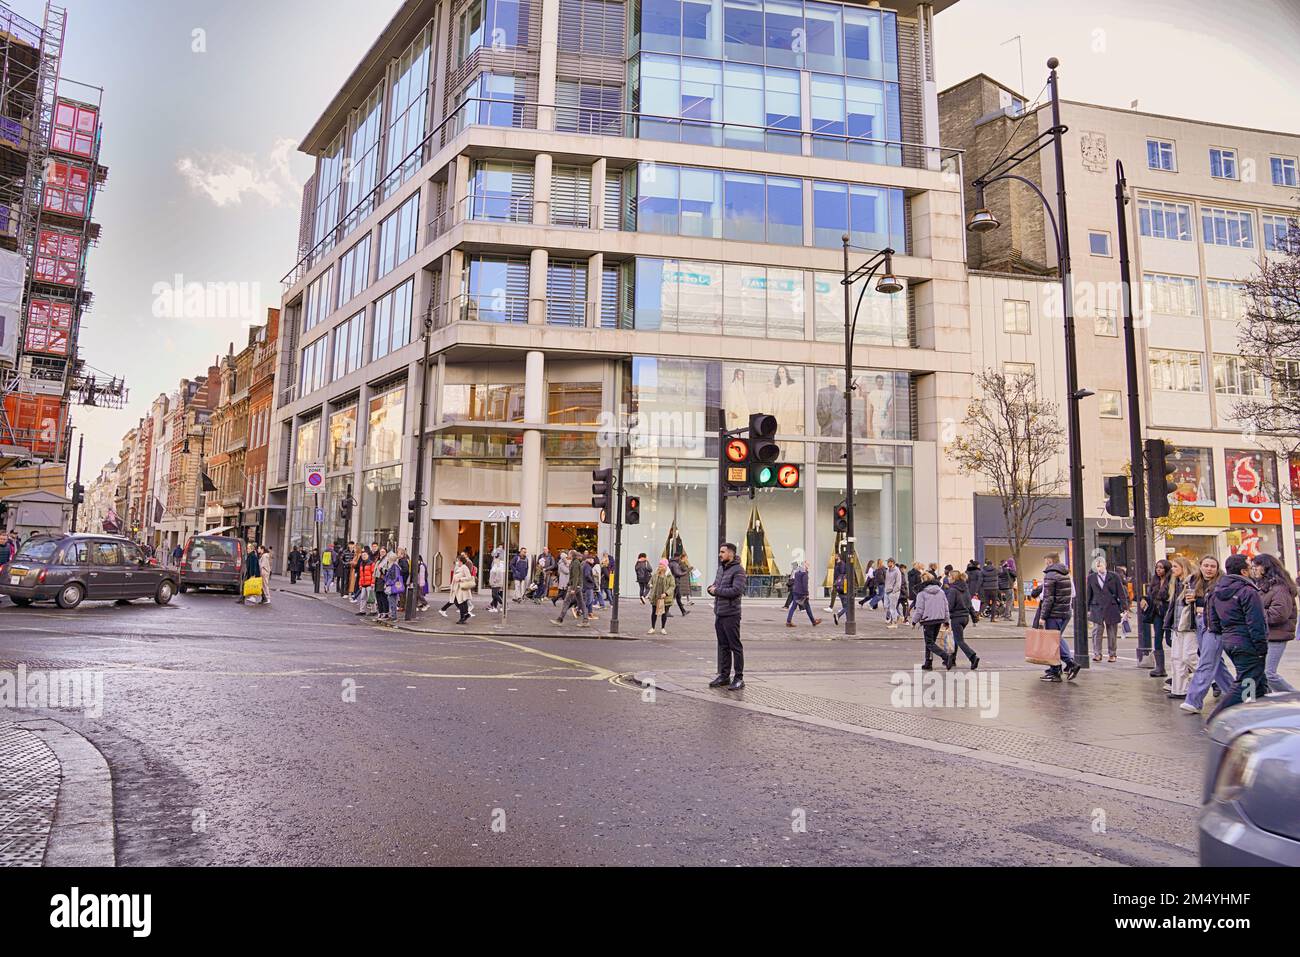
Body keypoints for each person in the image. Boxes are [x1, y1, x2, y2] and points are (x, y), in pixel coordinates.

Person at [1206, 554, 1270, 719]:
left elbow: (1213, 622)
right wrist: (1261, 647)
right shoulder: (1248, 591)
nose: (1252, 570)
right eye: (1249, 567)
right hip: (1247, 643)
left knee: (1258, 681)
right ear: (1243, 571)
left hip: (1231, 641)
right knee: (1246, 683)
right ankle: (1217, 718)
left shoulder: (1217, 591)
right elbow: (1256, 622)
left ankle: (1260, 715)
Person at [1182, 555, 1232, 715]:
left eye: (1212, 566)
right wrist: (1188, 600)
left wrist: (1200, 603)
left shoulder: (1223, 583)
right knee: (1216, 663)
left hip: (1214, 625)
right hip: (1199, 622)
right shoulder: (1194, 580)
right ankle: (1235, 694)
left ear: (1217, 569)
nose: (1209, 569)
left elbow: (1221, 603)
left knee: (1207, 661)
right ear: (1200, 566)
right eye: (1206, 565)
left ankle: (1193, 700)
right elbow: (1186, 600)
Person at [1250, 553, 1298, 695]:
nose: (1254, 569)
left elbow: (1279, 614)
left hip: (1276, 636)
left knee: (1269, 673)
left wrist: (1254, 612)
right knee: (1262, 673)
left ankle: (1294, 697)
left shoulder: (1279, 588)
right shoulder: (1265, 586)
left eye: (1256, 566)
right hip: (1266, 635)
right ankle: (1271, 701)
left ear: (1265, 567)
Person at [707, 542, 747, 691]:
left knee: (735, 646)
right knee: (723, 646)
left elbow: (736, 591)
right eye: (720, 552)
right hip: (719, 613)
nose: (720, 554)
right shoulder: (721, 569)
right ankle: (724, 676)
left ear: (731, 553)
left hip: (731, 614)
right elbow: (715, 585)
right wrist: (710, 589)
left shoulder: (739, 571)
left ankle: (739, 678)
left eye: (723, 552)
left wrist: (716, 591)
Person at [1034, 553, 1080, 681]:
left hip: (1053, 613)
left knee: (1053, 640)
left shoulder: (1050, 575)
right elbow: (1073, 593)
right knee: (1056, 639)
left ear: (1050, 562)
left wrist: (1042, 617)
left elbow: (1047, 598)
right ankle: (1055, 668)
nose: (1046, 565)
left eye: (1046, 562)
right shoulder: (1066, 574)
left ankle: (1068, 664)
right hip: (1065, 611)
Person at [1164, 557, 1199, 698]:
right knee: (1176, 658)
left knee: (1189, 656)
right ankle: (1179, 690)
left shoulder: (1192, 582)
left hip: (1189, 625)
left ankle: (1213, 679)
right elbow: (1173, 607)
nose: (1172, 569)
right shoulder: (1176, 584)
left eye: (1175, 566)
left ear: (1183, 567)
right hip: (1177, 626)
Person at [1086, 557, 1127, 662]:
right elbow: (1088, 594)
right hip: (1097, 607)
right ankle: (1097, 653)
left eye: (1101, 565)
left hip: (1111, 606)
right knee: (1097, 631)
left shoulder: (1114, 576)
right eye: (1097, 565)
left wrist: (1124, 607)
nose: (1099, 567)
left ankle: (1112, 654)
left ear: (1105, 565)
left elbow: (1121, 592)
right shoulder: (1091, 578)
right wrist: (1087, 609)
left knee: (1112, 631)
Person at [911, 573, 955, 670]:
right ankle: (928, 663)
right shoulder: (941, 592)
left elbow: (919, 610)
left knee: (929, 643)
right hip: (939, 619)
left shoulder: (921, 593)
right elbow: (946, 607)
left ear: (923, 580)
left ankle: (945, 656)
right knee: (931, 643)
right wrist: (946, 620)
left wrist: (914, 621)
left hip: (928, 620)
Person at [1140, 560, 1173, 676]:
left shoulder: (1171, 581)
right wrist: (1144, 599)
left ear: (1166, 569)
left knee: (1170, 640)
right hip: (1157, 613)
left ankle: (1182, 662)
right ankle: (1160, 668)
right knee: (1158, 639)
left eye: (1161, 568)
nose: (1158, 570)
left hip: (1168, 613)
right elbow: (1150, 595)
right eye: (1157, 567)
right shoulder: (1155, 581)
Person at [943, 570, 980, 669]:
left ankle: (973, 657)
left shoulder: (953, 590)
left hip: (957, 618)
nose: (948, 579)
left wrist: (945, 619)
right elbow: (970, 604)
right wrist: (974, 616)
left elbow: (949, 606)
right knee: (956, 638)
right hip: (965, 618)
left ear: (954, 578)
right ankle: (952, 660)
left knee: (959, 640)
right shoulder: (965, 588)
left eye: (950, 577)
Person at [553, 550, 588, 627]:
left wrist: (573, 588)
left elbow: (575, 576)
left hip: (575, 586)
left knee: (566, 602)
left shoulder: (575, 563)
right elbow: (573, 576)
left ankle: (560, 619)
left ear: (571, 555)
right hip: (577, 586)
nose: (567, 555)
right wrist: (569, 583)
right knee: (581, 603)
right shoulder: (574, 562)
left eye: (568, 554)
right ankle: (585, 620)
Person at [786, 560, 822, 628]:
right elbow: (804, 584)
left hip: (796, 591)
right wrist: (806, 593)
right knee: (807, 607)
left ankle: (788, 621)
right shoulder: (804, 573)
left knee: (794, 607)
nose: (808, 566)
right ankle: (813, 622)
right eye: (807, 565)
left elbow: (795, 582)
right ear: (804, 565)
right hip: (802, 593)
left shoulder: (797, 572)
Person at [648, 559, 676, 635]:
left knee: (664, 613)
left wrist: (666, 593)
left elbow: (672, 586)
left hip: (665, 597)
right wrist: (650, 584)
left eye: (662, 565)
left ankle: (663, 628)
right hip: (656, 596)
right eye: (659, 564)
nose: (660, 566)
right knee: (654, 612)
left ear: (665, 566)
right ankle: (652, 628)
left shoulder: (669, 576)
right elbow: (651, 581)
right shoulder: (656, 574)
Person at [450, 554, 475, 624]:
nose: (457, 562)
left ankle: (462, 617)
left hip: (461, 588)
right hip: (457, 588)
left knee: (460, 602)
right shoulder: (459, 567)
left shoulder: (464, 567)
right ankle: (466, 614)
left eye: (458, 560)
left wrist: (460, 579)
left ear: (461, 561)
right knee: (458, 602)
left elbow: (469, 577)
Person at [883, 558, 903, 628]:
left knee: (892, 608)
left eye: (888, 562)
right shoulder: (887, 570)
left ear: (892, 563)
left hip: (893, 592)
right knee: (886, 606)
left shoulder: (897, 571)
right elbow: (887, 581)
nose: (887, 564)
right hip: (887, 591)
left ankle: (894, 623)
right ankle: (898, 616)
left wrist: (894, 591)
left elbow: (898, 582)